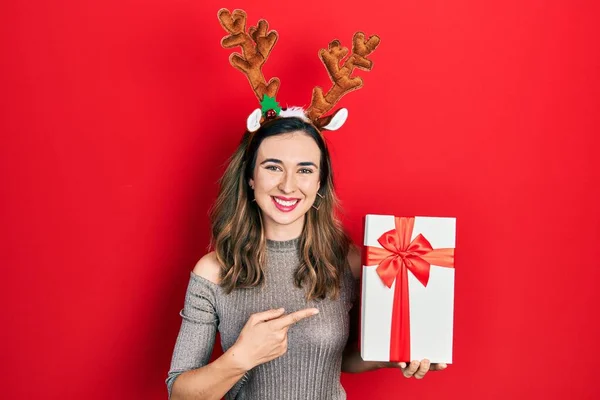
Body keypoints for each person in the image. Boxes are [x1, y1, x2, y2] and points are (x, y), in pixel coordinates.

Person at [164, 116, 447, 400]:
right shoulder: (214, 271)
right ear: (250, 177)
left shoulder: (348, 262)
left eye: (305, 170)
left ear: (320, 181)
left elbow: (337, 358)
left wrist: (389, 357)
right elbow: (179, 394)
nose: (288, 186)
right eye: (273, 167)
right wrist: (242, 357)